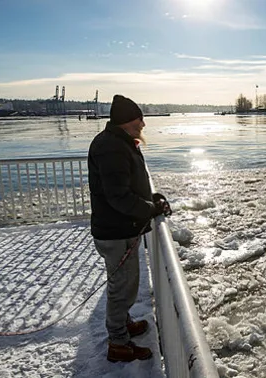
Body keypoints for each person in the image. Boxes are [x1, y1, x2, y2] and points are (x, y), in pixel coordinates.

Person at [87, 94, 170, 362]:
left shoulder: (118, 142)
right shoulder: (111, 147)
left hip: (120, 228)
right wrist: (150, 210)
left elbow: (128, 184)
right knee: (121, 288)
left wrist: (151, 200)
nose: (143, 124)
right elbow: (118, 196)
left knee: (125, 284)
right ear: (126, 121)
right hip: (116, 232)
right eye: (139, 119)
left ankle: (123, 323)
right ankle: (119, 343)